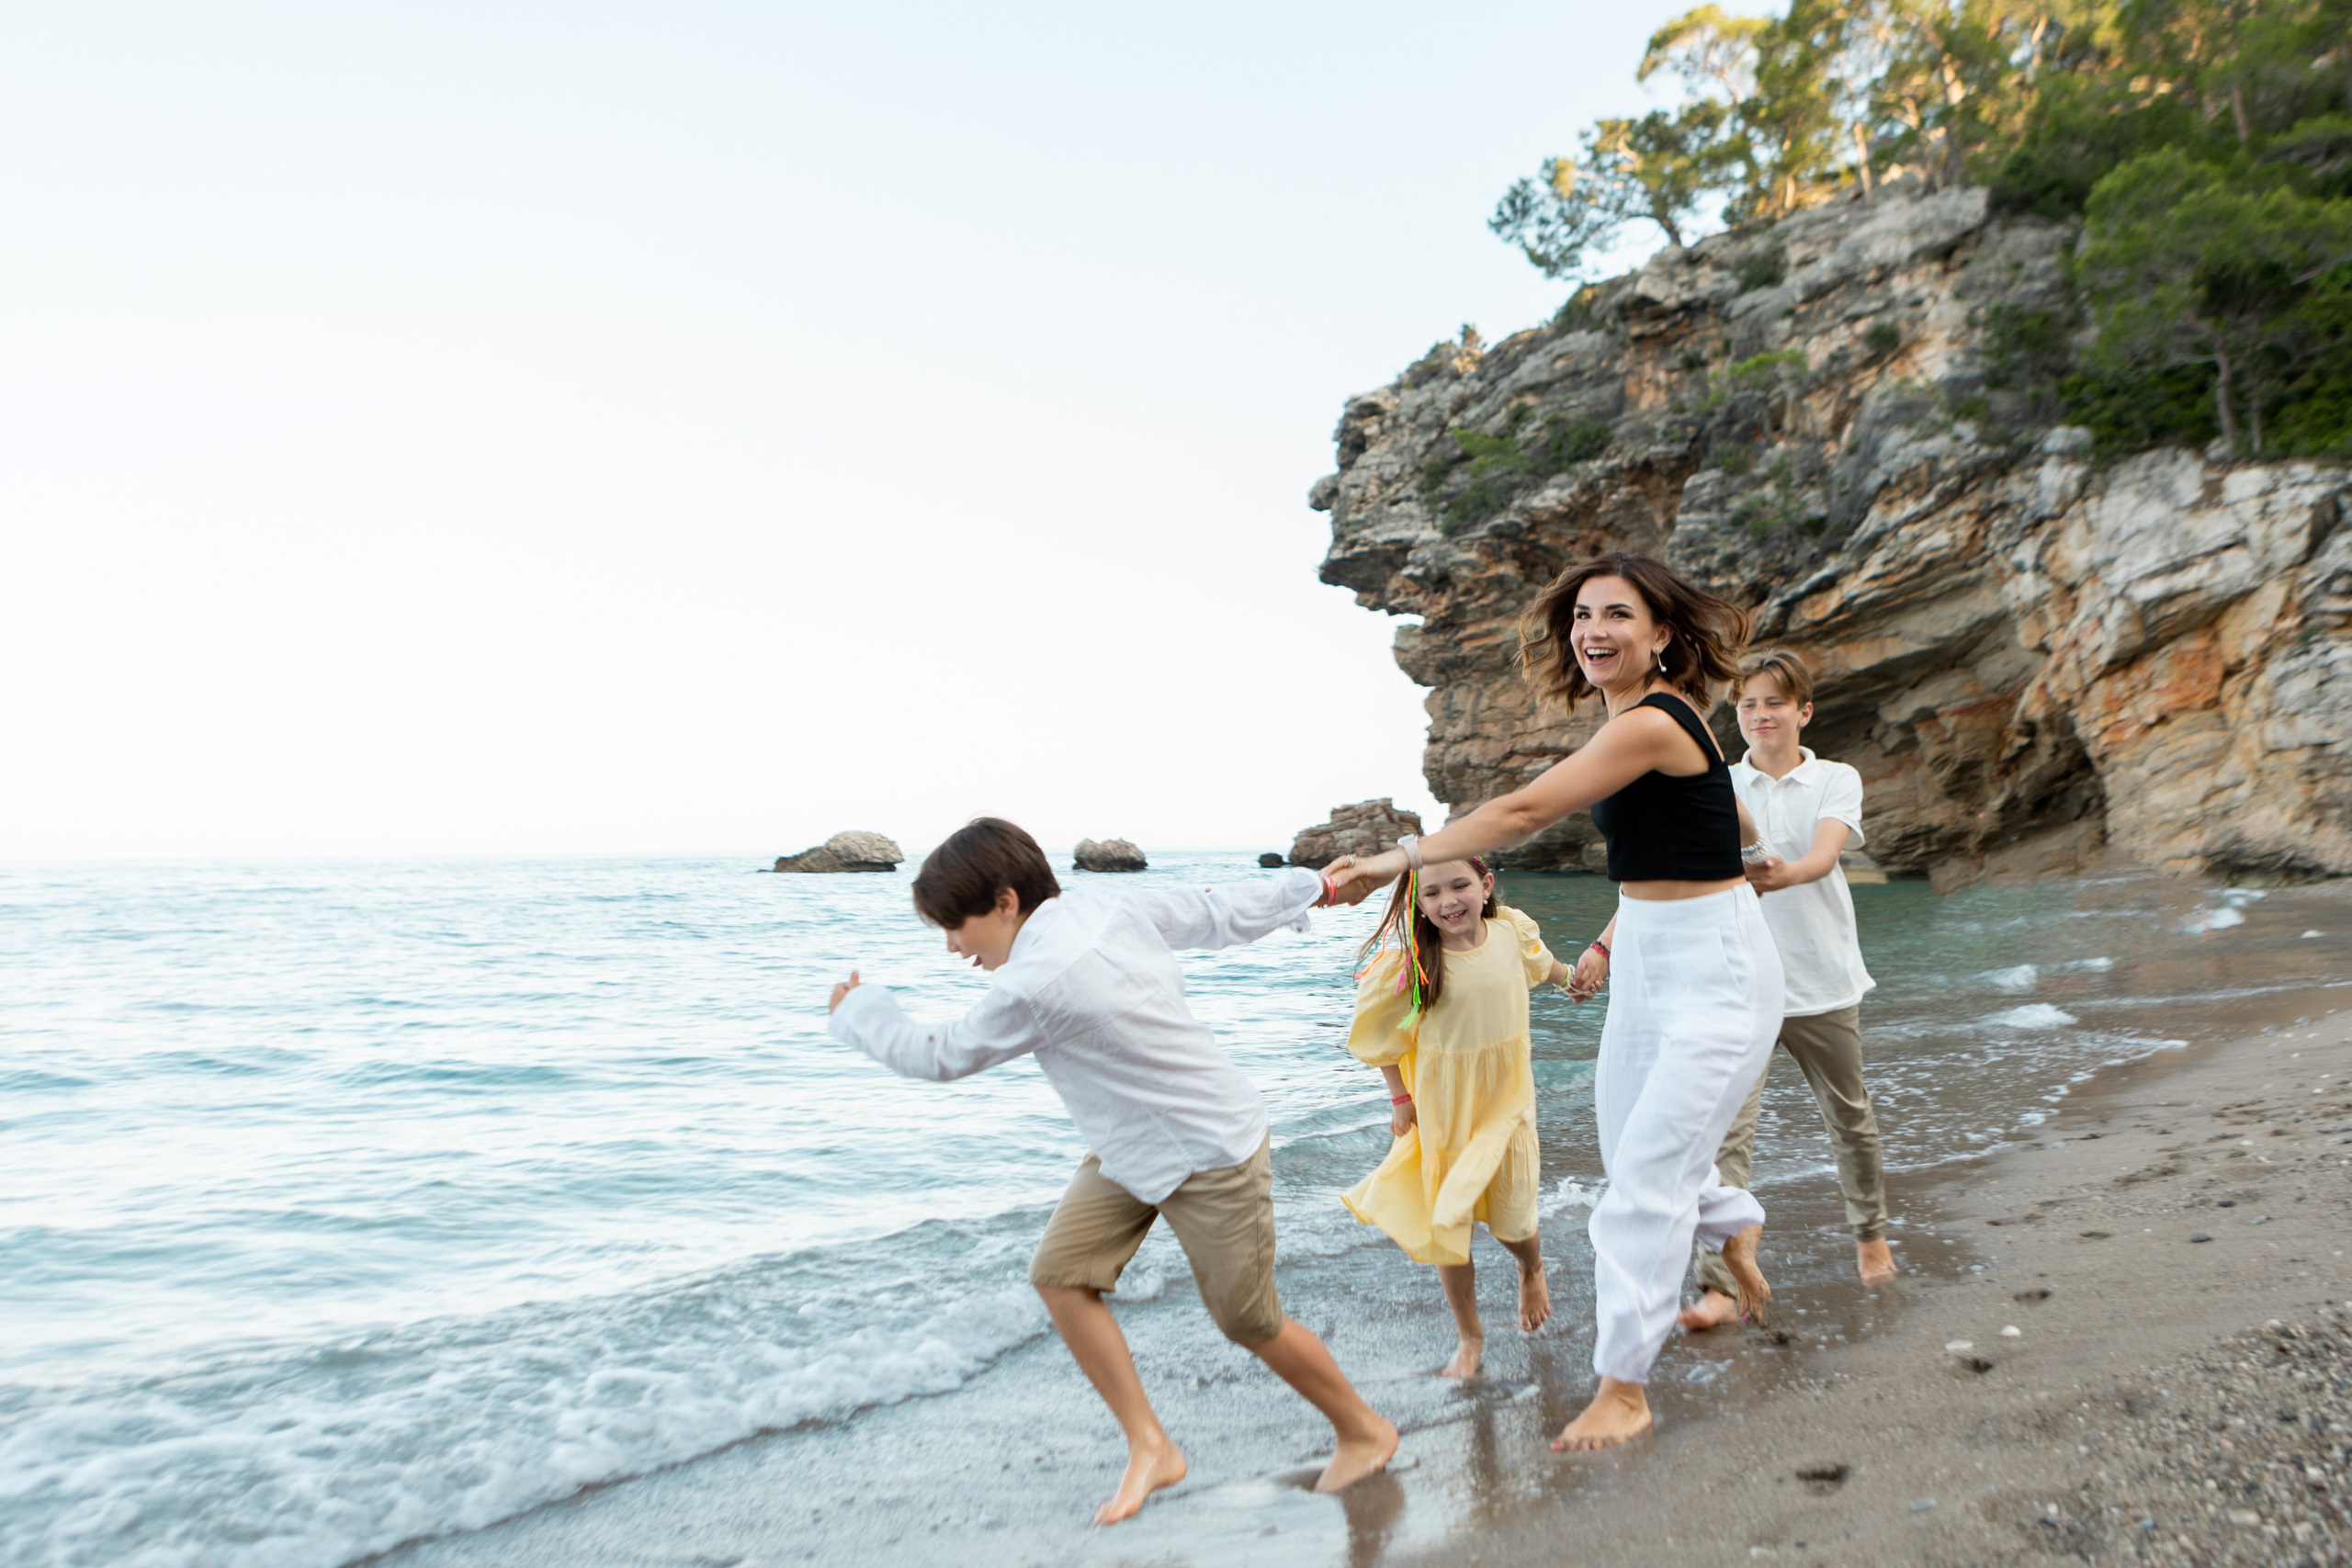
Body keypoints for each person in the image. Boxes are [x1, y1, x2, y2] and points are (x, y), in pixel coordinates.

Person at [1328, 551, 1784, 1452]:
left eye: (1617, 615)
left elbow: (1523, 810)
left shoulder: (1653, 720)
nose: (1592, 632)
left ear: (1660, 635)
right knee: (1635, 1160)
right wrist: (1741, 856)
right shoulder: (1654, 722)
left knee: (1639, 1191)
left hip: (1717, 972)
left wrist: (1394, 860)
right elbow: (1731, 819)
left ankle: (1624, 1387)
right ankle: (1736, 1222)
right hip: (1650, 953)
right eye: (1581, 617)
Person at [824, 818, 1397, 1526]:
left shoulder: (1038, 981)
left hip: (1210, 1151)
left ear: (1004, 902)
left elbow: (939, 1054)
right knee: (1062, 1273)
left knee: (1249, 1319)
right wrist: (1314, 884)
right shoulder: (1103, 905)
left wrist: (858, 1012)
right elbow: (1218, 911)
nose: (952, 945)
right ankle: (1151, 1445)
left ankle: (1364, 1429)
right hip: (1131, 1144)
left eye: (955, 924)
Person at [1677, 650, 1894, 1331]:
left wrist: (1788, 872)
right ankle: (1718, 1283)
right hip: (1741, 984)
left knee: (1849, 1117)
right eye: (1747, 704)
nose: (1760, 715)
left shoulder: (1835, 777)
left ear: (1803, 711)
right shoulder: (1719, 782)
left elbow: (1828, 854)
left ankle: (1870, 1235)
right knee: (1726, 1137)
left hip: (1823, 979)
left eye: (1774, 702)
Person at [1340, 856, 1567, 1378]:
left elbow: (1545, 967)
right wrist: (1400, 1101)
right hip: (1442, 1109)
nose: (1448, 902)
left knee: (1513, 1216)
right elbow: (1383, 1042)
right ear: (1418, 904)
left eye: (1460, 886)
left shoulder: (1510, 932)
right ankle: (1470, 1338)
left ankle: (1530, 1265)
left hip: (1506, 1103)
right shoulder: (1414, 962)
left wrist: (1575, 979)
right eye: (1432, 894)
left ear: (1485, 886)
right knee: (1448, 1223)